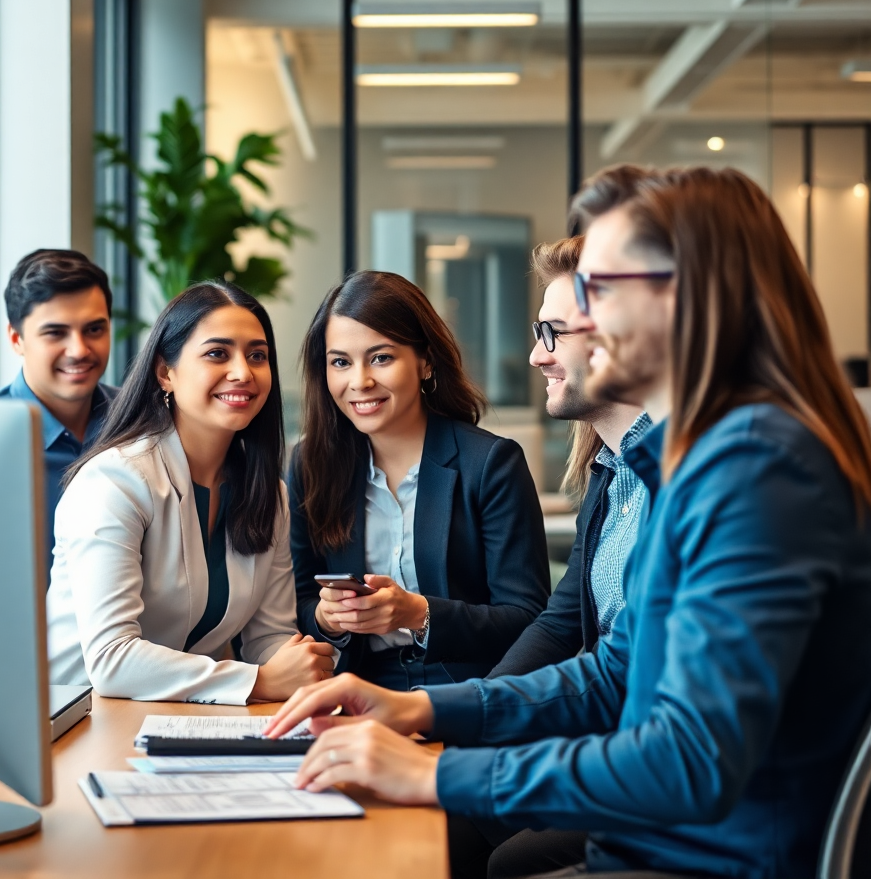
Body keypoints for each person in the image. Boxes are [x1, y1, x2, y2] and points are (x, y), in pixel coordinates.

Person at [266, 166, 871, 879]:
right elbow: (612, 675)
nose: (568, 332)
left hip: (717, 857)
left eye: (600, 290)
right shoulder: (688, 463)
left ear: (686, 300)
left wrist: (434, 774)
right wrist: (417, 709)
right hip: (666, 840)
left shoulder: (758, 468)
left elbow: (690, 761)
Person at [452, 229, 650, 879]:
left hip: (667, 775)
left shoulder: (695, 484)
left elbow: (622, 677)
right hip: (620, 745)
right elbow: (563, 623)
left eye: (552, 333)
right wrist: (465, 716)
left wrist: (453, 716)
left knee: (510, 858)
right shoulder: (612, 472)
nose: (537, 356)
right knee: (455, 814)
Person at [48, 281, 334, 704]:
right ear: (166, 372)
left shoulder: (267, 493)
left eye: (257, 355)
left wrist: (301, 664)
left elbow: (268, 637)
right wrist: (259, 681)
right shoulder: (114, 482)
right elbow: (111, 661)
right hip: (83, 717)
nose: (243, 372)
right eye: (217, 353)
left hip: (179, 718)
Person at [289, 270, 551, 692]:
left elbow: (529, 619)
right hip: (353, 689)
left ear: (425, 362)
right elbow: (295, 601)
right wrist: (326, 618)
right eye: (340, 362)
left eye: (381, 358)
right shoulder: (310, 465)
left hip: (466, 691)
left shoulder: (490, 464)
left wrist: (417, 614)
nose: (359, 381)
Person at [0, 249, 118, 580]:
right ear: (16, 339)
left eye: (94, 329)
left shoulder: (145, 422)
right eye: (55, 333)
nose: (79, 350)